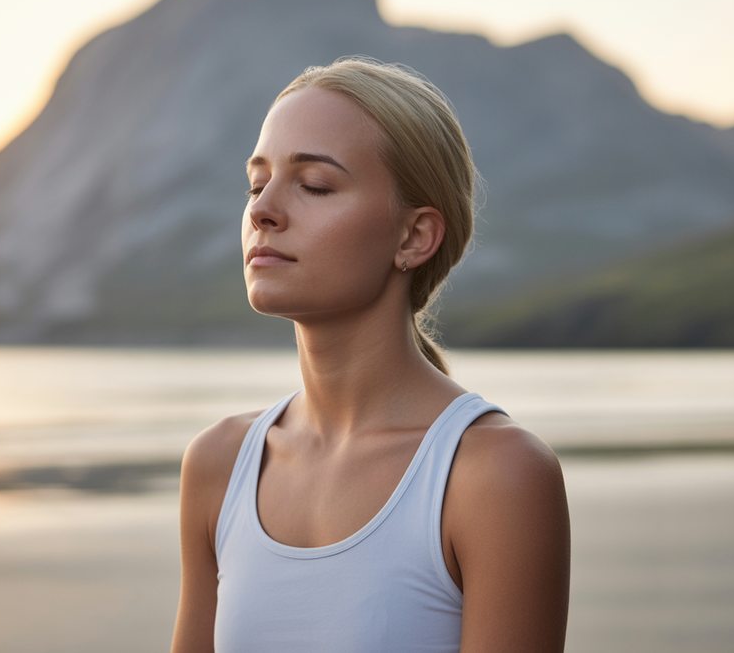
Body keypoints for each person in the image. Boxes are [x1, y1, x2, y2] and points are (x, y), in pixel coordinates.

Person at [170, 58, 570, 653]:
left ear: (413, 237)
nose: (262, 211)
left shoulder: (495, 476)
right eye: (257, 184)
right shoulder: (218, 465)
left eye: (314, 185)